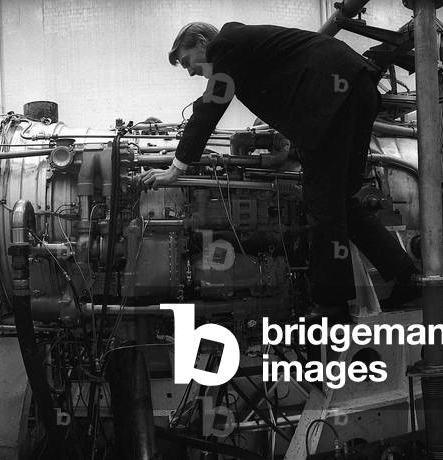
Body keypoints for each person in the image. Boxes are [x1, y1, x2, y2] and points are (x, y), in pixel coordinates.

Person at [140, 22, 419, 322]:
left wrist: (176, 167)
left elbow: (212, 104)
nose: (190, 71)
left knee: (322, 203)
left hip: (332, 98)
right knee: (341, 202)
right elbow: (215, 100)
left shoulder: (226, 43)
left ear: (202, 41)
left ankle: (331, 307)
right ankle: (407, 277)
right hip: (355, 89)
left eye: (186, 62)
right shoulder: (242, 50)